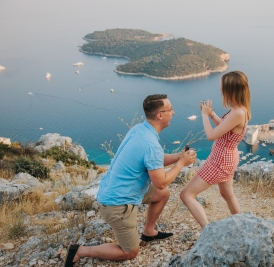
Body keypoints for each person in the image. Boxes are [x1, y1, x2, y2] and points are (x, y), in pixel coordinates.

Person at [64, 94, 197, 266]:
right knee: (130, 252)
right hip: (118, 204)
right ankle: (80, 251)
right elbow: (161, 181)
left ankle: (148, 232)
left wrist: (179, 156)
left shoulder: (140, 129)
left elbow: (154, 160)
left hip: (115, 190)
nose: (174, 112)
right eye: (170, 109)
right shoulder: (150, 143)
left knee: (162, 194)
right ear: (160, 115)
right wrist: (181, 164)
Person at [180, 71, 251, 228]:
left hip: (220, 161)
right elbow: (224, 127)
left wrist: (204, 115)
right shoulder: (239, 109)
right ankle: (242, 226)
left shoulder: (238, 112)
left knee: (186, 194)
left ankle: (208, 230)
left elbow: (211, 135)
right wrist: (211, 114)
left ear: (231, 89)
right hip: (225, 158)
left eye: (223, 86)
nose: (220, 89)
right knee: (227, 195)